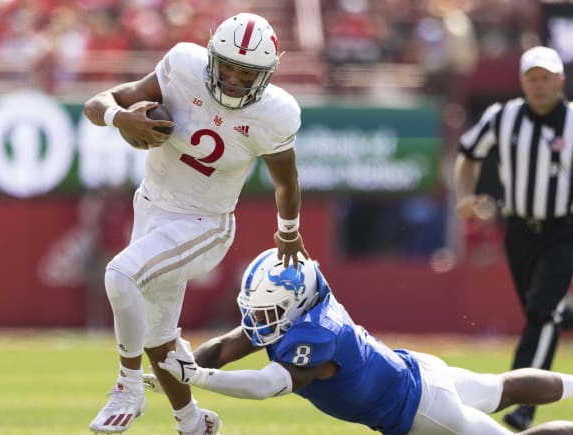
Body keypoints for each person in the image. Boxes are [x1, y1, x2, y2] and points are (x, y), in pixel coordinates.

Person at [82, 12, 309, 435]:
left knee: (120, 274)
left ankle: (127, 388)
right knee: (156, 337)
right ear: (211, 58)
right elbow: (98, 103)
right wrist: (122, 118)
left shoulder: (275, 113)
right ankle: (193, 422)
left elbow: (286, 180)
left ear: (267, 74)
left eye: (249, 72)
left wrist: (288, 231)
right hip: (151, 206)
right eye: (229, 67)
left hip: (205, 224)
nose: (237, 79)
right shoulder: (183, 65)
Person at [151, 248, 573, 435]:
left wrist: (198, 377)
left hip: (421, 410)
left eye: (266, 312)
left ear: (294, 303)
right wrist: (182, 368)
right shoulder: (300, 306)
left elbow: (266, 386)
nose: (257, 322)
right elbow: (225, 346)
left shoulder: (316, 335)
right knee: (498, 388)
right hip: (417, 371)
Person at [454, 45, 573, 430]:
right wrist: (466, 197)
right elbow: (468, 153)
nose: (540, 86)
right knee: (537, 314)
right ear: (523, 82)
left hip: (563, 228)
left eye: (547, 78)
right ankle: (557, 321)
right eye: (533, 78)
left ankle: (522, 404)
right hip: (519, 228)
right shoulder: (502, 117)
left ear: (561, 81)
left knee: (543, 313)